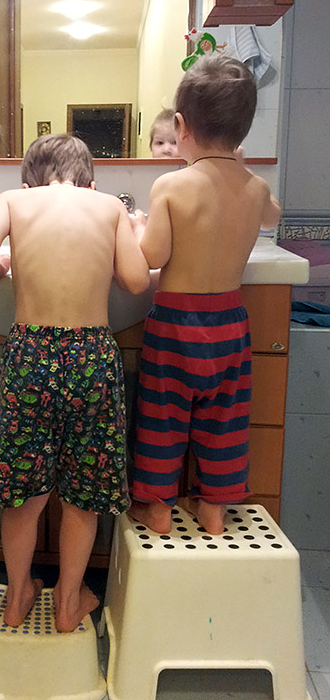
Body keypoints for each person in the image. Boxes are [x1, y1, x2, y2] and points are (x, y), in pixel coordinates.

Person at [0, 134, 150, 632]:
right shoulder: (108, 206)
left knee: (24, 489)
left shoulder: (15, 201)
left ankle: (16, 597)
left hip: (30, 354)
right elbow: (137, 281)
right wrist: (128, 235)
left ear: (30, 183)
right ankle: (68, 603)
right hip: (91, 355)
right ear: (90, 184)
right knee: (83, 489)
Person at [128, 54, 281, 536]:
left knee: (163, 420)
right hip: (230, 324)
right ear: (243, 131)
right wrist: (242, 167)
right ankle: (214, 508)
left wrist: (137, 228)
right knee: (224, 423)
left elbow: (152, 256)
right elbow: (273, 217)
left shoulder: (172, 185)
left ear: (181, 126)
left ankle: (157, 509)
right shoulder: (256, 188)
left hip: (175, 326)